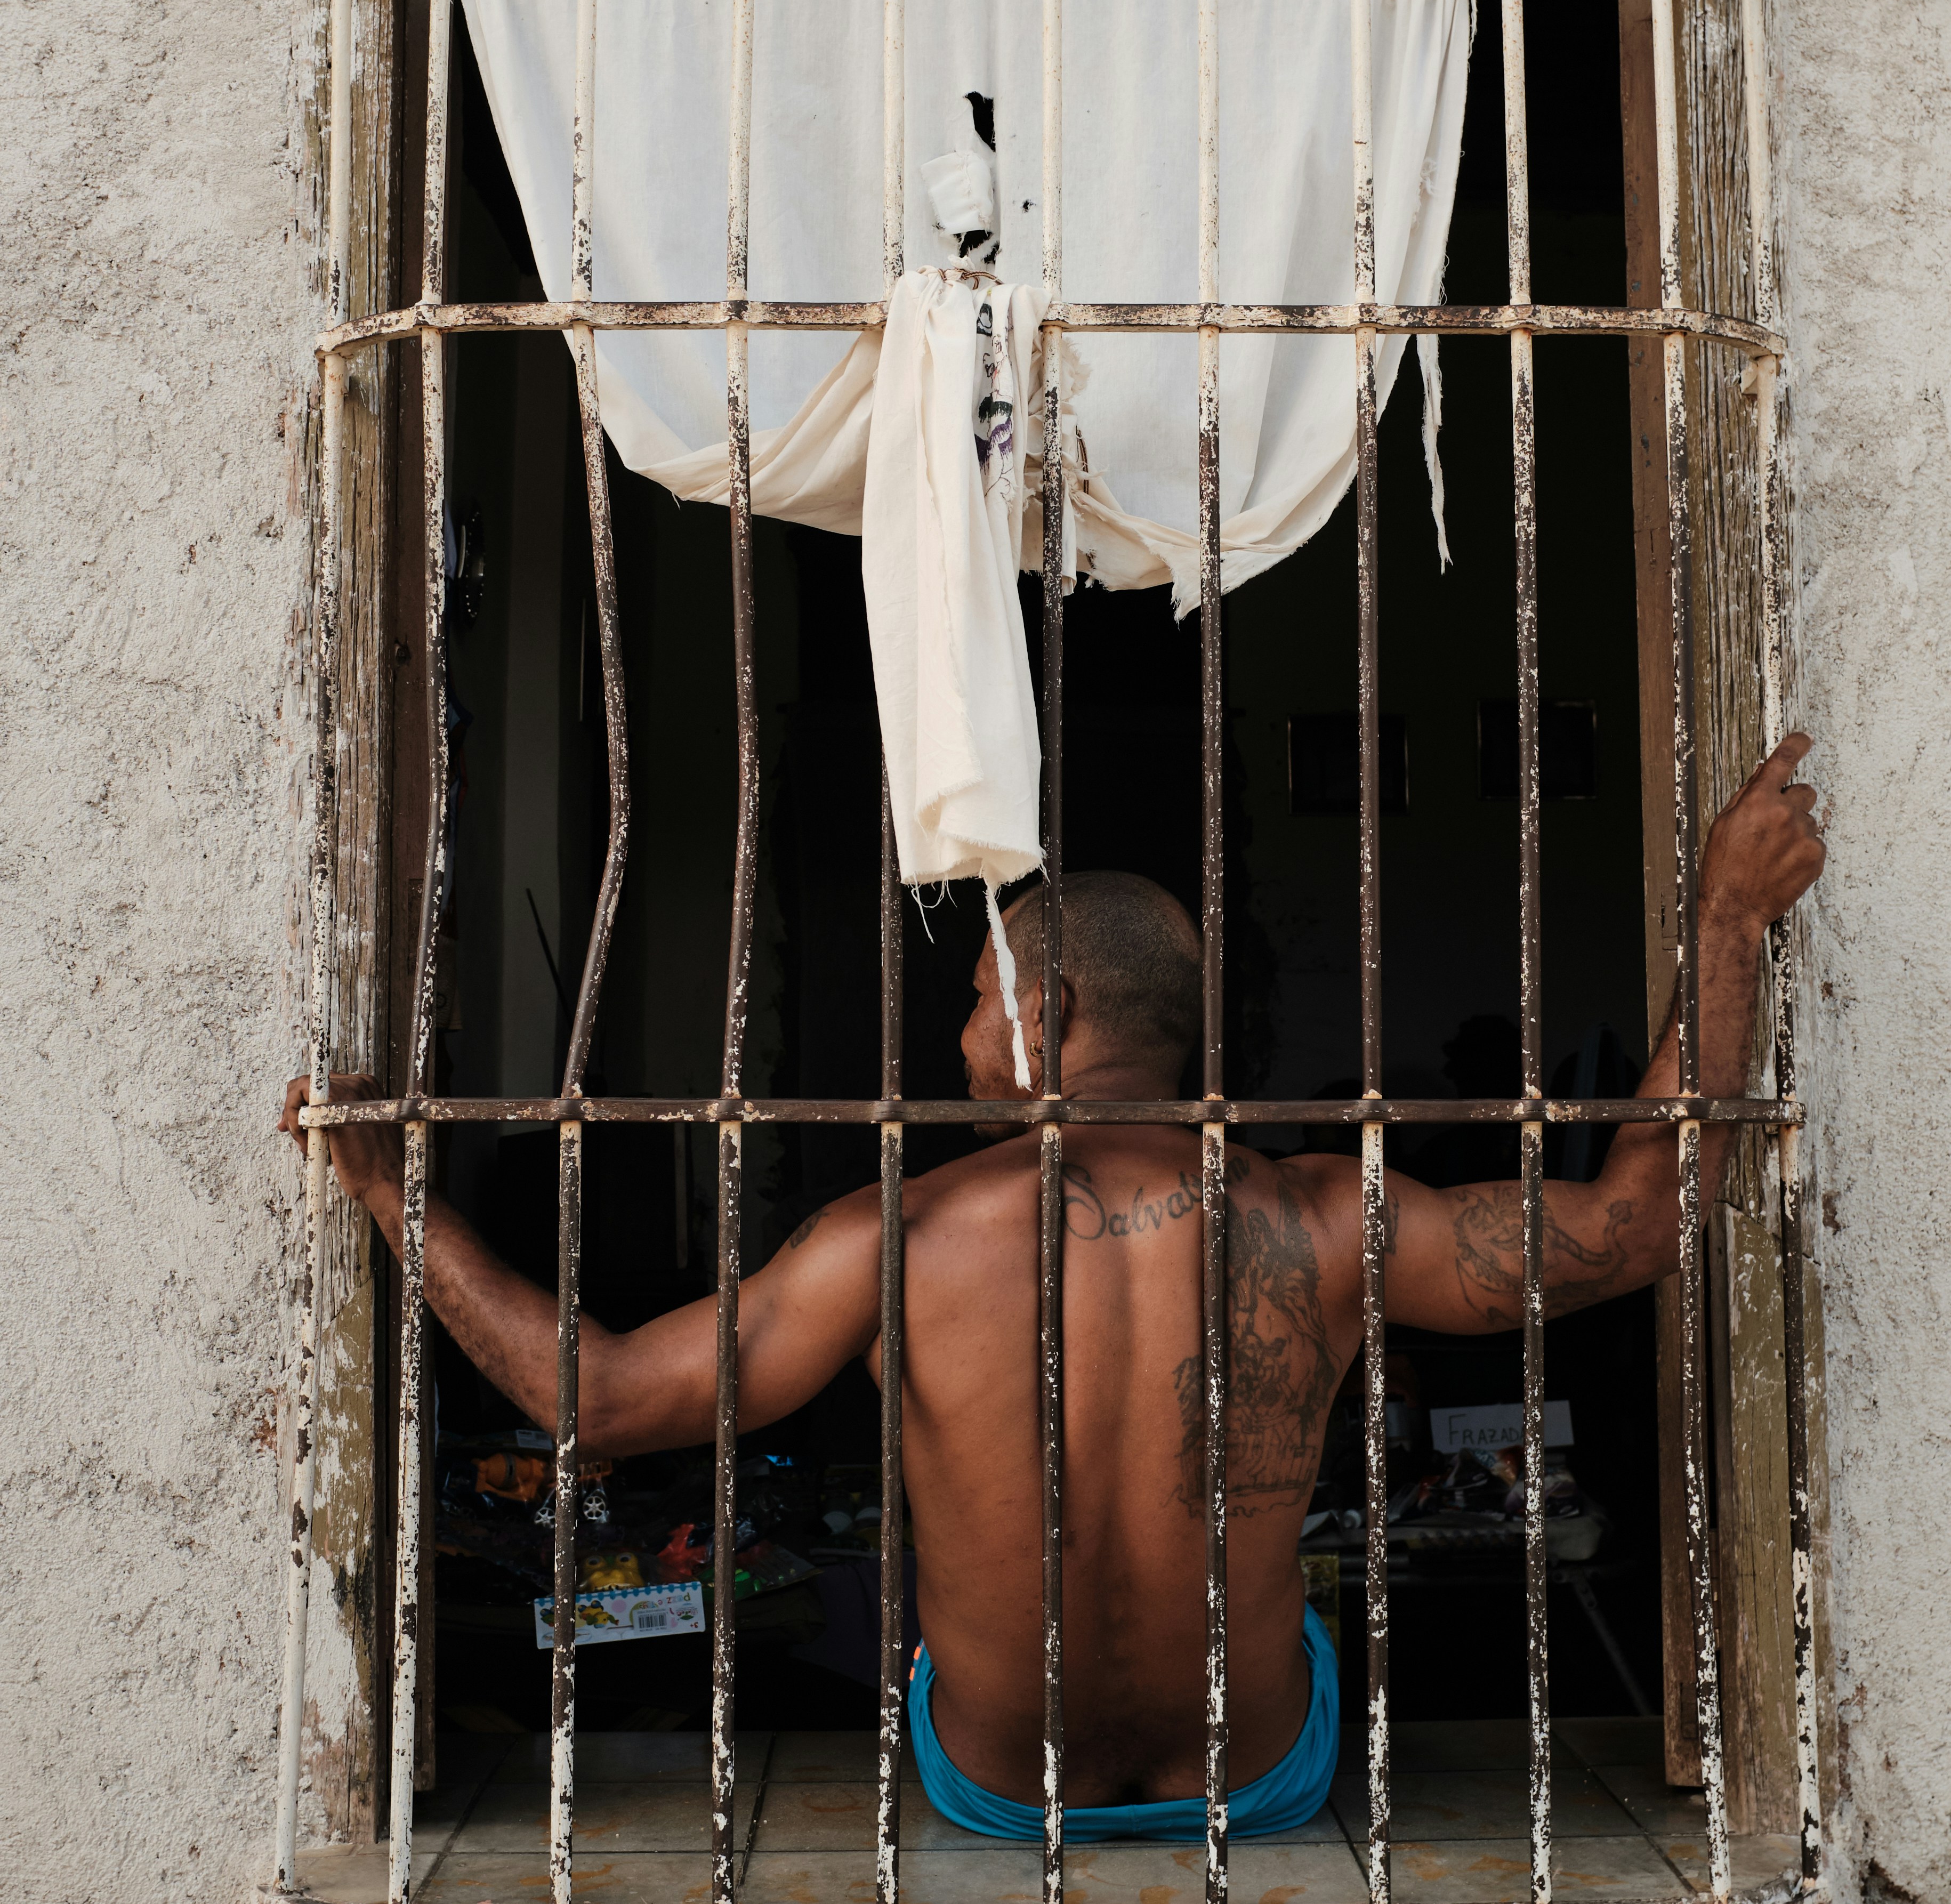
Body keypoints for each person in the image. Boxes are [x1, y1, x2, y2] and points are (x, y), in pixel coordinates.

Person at [281, 733, 1824, 1840]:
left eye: (971, 1003)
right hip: (1263, 1776)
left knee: (913, 1616)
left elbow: (597, 1401)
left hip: (990, 1787)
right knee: (1302, 1635)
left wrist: (385, 1185)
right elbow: (1633, 1226)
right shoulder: (1326, 1214)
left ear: (1050, 1009)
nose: (956, 1042)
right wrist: (1726, 916)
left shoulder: (897, 1236)